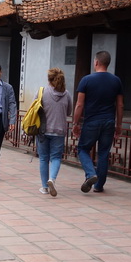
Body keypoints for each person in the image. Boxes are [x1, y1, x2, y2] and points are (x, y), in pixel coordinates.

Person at [72, 50, 124, 193]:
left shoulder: (87, 80)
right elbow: (120, 105)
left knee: (82, 149)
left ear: (96, 62)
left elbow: (79, 104)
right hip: (108, 121)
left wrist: (75, 123)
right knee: (103, 153)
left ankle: (90, 174)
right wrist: (119, 124)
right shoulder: (116, 80)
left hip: (91, 121)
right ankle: (99, 185)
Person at [37, 68, 73, 197]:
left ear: (49, 79)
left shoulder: (42, 92)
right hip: (59, 130)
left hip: (43, 130)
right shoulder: (67, 94)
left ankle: (45, 187)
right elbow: (69, 112)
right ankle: (52, 178)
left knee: (43, 158)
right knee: (56, 157)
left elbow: (35, 109)